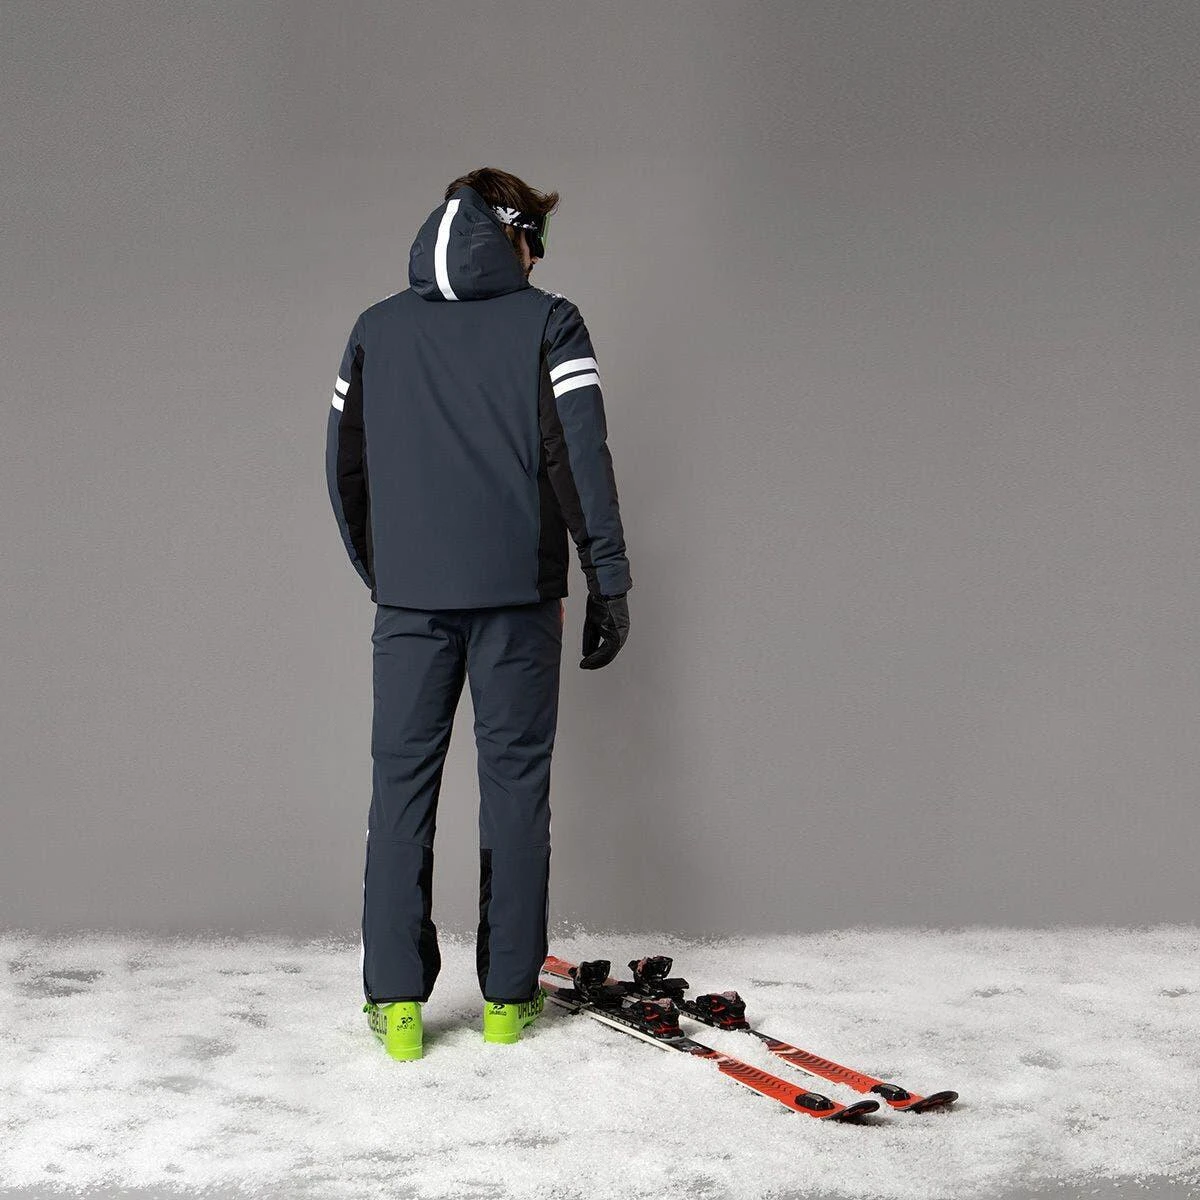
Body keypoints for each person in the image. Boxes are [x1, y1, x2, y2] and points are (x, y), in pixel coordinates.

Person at [325, 167, 632, 1061]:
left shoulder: (375, 328)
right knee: (515, 788)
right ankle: (506, 1000)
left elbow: (344, 467)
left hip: (409, 605)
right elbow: (580, 456)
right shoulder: (551, 323)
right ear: (515, 234)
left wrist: (389, 572)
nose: (540, 258)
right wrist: (607, 579)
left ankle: (396, 1007)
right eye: (539, 239)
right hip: (518, 602)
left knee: (400, 789)